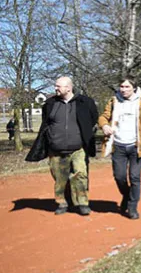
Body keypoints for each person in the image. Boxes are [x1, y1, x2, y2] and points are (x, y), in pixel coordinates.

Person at [25, 76, 99, 216]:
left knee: (81, 175)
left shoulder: (85, 102)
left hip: (78, 148)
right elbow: (46, 123)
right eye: (56, 86)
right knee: (60, 178)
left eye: (59, 86)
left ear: (69, 88)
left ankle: (83, 203)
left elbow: (93, 118)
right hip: (56, 149)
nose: (55, 88)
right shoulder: (50, 103)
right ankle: (62, 203)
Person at [98, 77, 141, 219]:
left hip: (136, 146)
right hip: (118, 146)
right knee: (119, 177)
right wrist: (104, 125)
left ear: (134, 88)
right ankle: (127, 195)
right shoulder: (114, 101)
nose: (123, 89)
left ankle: (132, 207)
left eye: (127, 87)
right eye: (121, 87)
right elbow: (103, 117)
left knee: (135, 177)